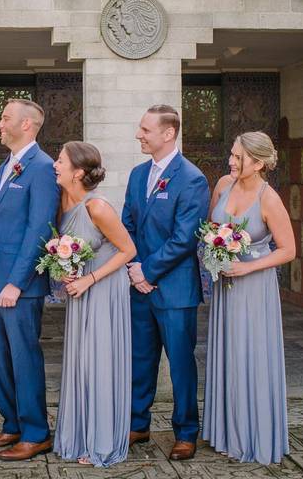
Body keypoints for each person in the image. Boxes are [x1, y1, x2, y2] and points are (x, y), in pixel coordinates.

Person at [121, 104, 209, 461]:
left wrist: (148, 271)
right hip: (138, 286)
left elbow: (185, 238)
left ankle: (186, 432)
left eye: (145, 129)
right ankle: (137, 423)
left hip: (175, 291)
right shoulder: (137, 175)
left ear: (168, 133)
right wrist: (133, 267)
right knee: (139, 360)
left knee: (181, 364)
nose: (139, 135)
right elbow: (126, 225)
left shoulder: (192, 178)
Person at [203, 132, 294, 464]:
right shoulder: (223, 185)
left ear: (258, 162)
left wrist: (249, 267)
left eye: (238, 157)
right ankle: (226, 431)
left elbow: (288, 250)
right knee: (228, 353)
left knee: (250, 355)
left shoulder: (269, 198)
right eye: (232, 154)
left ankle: (253, 434)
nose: (231, 161)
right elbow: (212, 229)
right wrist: (215, 251)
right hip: (226, 287)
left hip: (255, 288)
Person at [0, 99, 60, 461]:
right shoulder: (4, 167)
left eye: (5, 118)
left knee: (24, 357)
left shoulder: (42, 168)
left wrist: (17, 282)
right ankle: (11, 424)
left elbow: (39, 228)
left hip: (17, 286)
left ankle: (36, 432)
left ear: (27, 125)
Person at [53, 142, 138, 467]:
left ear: (77, 171)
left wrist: (90, 279)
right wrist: (65, 271)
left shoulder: (98, 207)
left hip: (103, 288)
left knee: (99, 361)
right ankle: (79, 436)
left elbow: (127, 250)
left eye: (60, 161)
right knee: (81, 362)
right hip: (80, 289)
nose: (55, 165)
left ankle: (103, 442)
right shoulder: (64, 202)